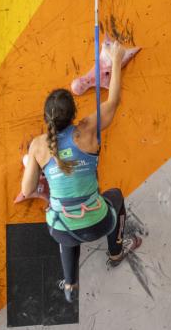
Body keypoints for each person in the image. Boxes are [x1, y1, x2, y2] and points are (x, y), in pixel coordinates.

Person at [19, 41, 141, 303]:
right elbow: (114, 100)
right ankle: (116, 252)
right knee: (116, 197)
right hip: (97, 222)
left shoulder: (39, 146)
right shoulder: (88, 129)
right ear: (75, 114)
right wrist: (116, 61)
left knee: (65, 224)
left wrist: (34, 164)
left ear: (46, 118)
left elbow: (27, 190)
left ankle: (70, 286)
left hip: (61, 228)